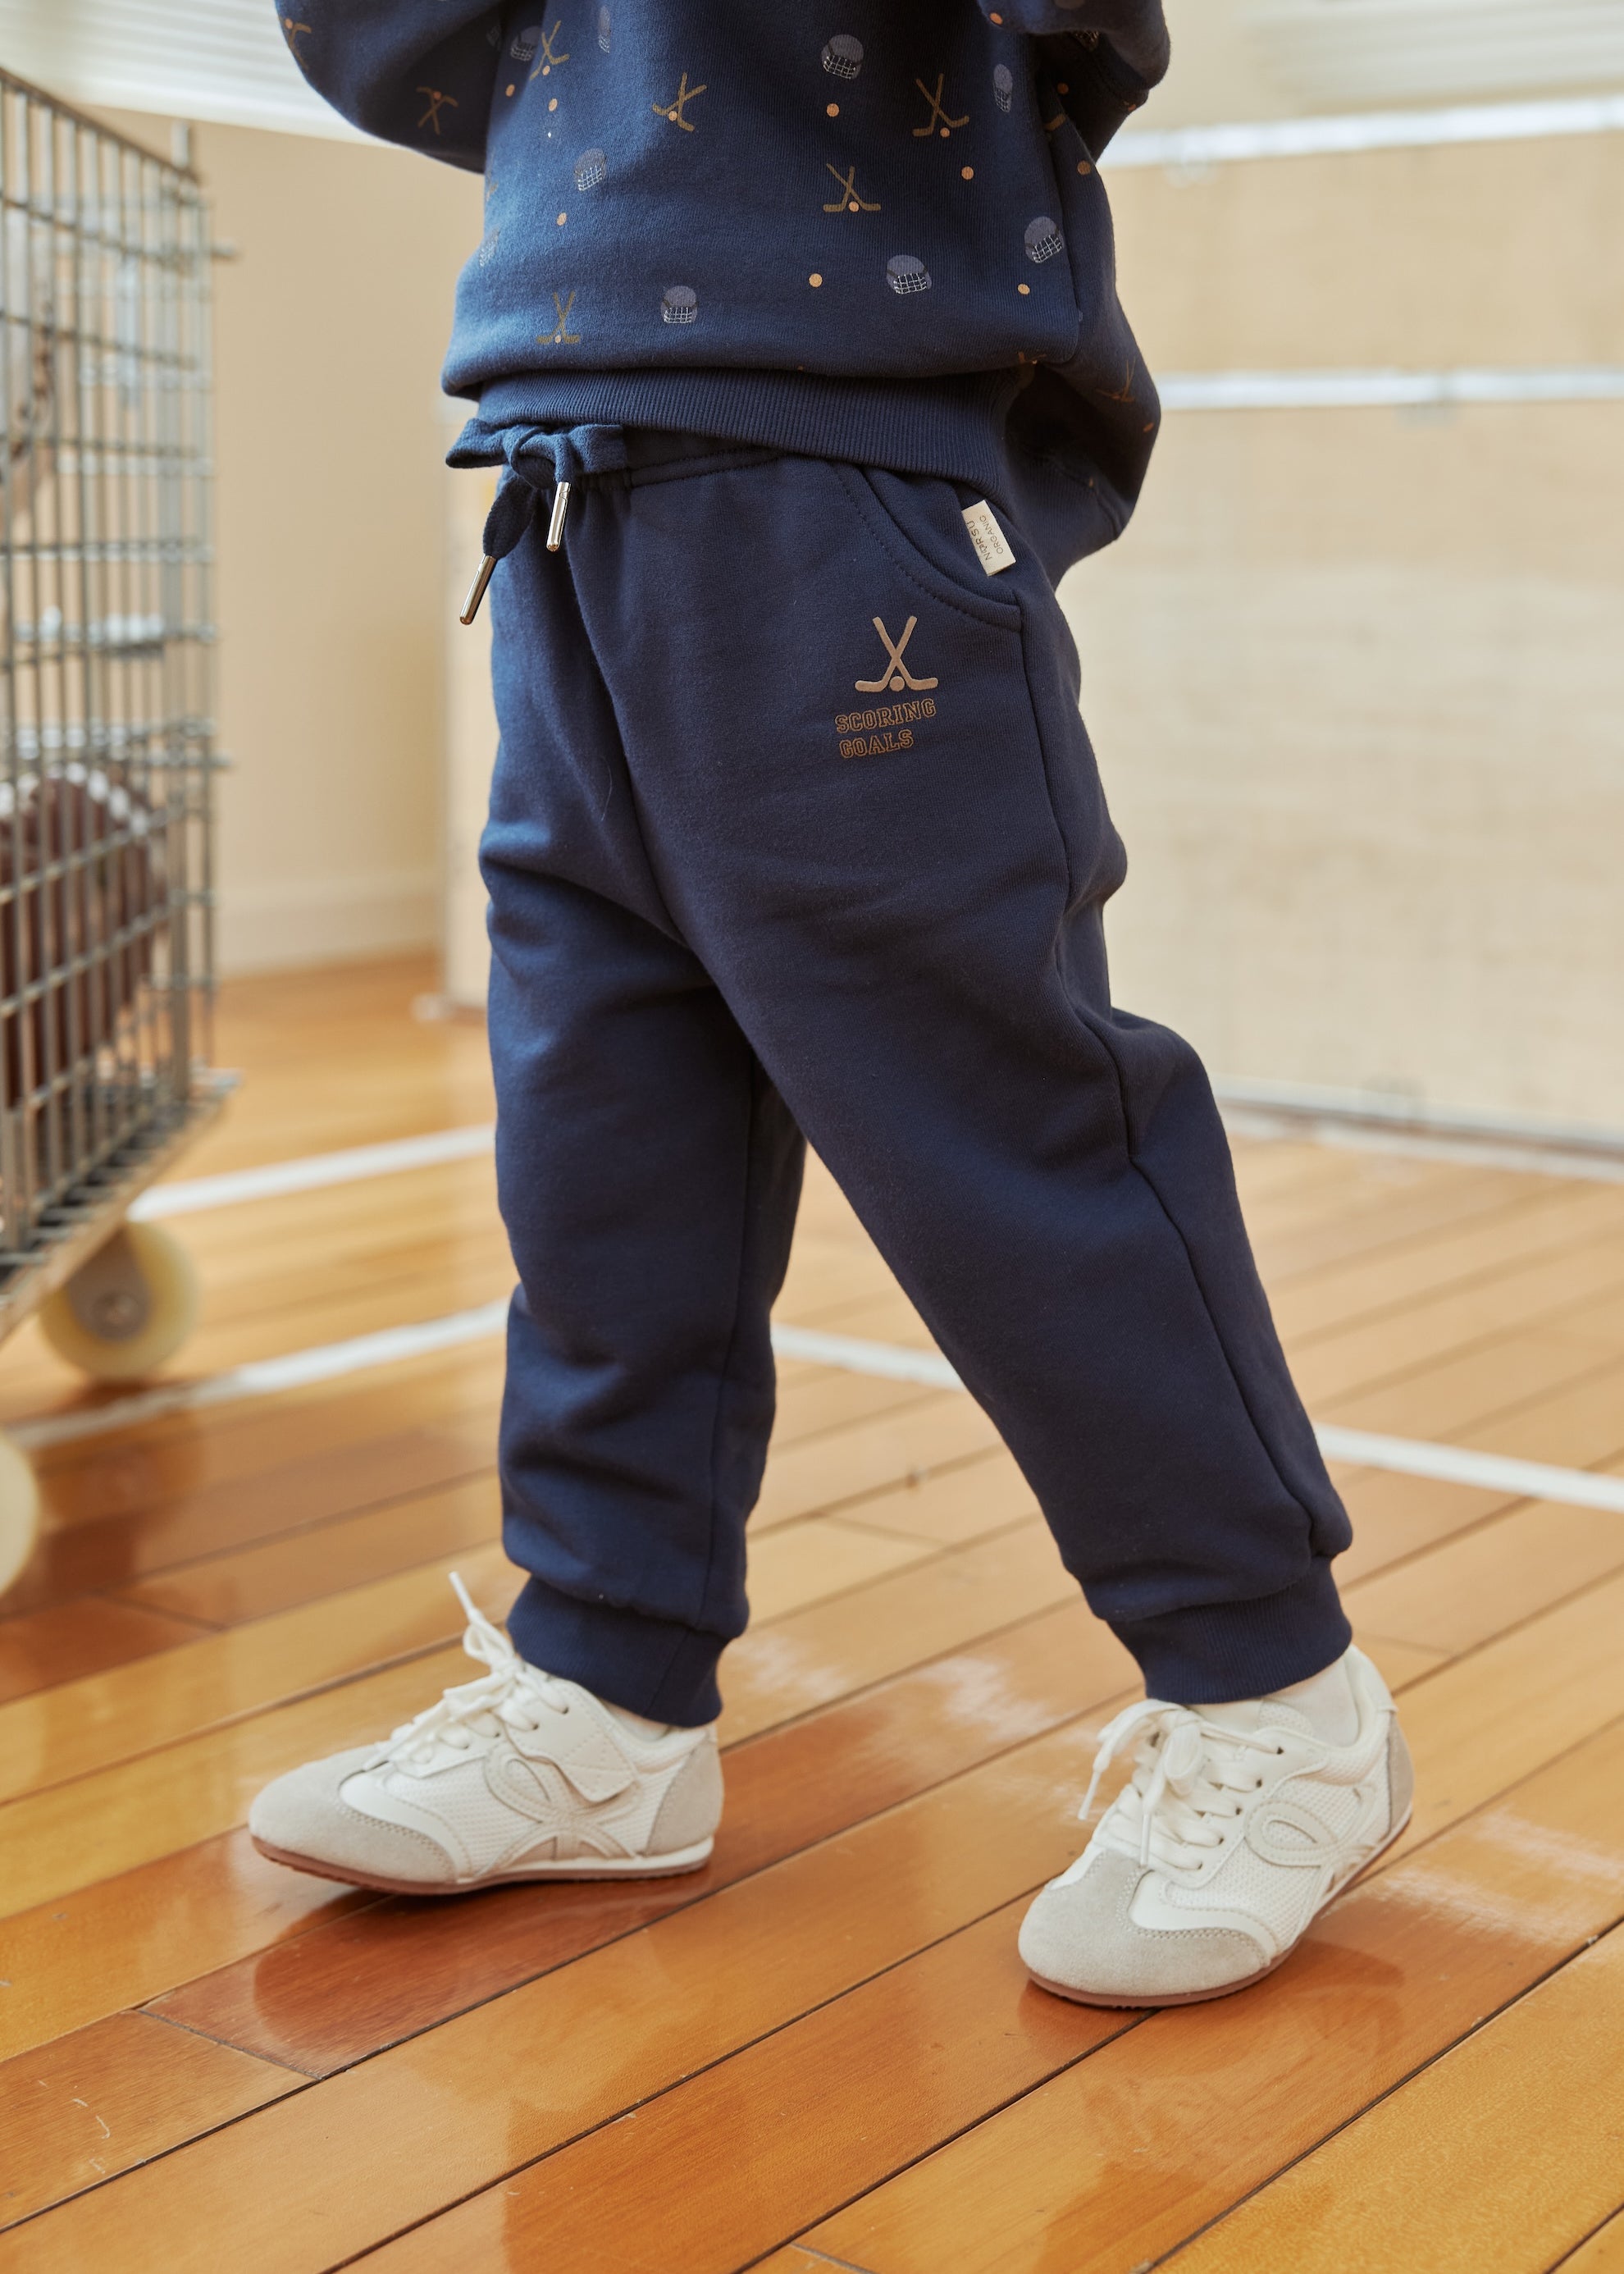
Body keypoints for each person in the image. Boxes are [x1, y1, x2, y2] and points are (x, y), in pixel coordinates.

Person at [249, 0, 1412, 2007]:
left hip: (838, 477)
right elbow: (379, 45)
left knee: (998, 1132)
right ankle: (607, 1691)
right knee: (605, 1137)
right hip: (555, 482)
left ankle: (1277, 1698)